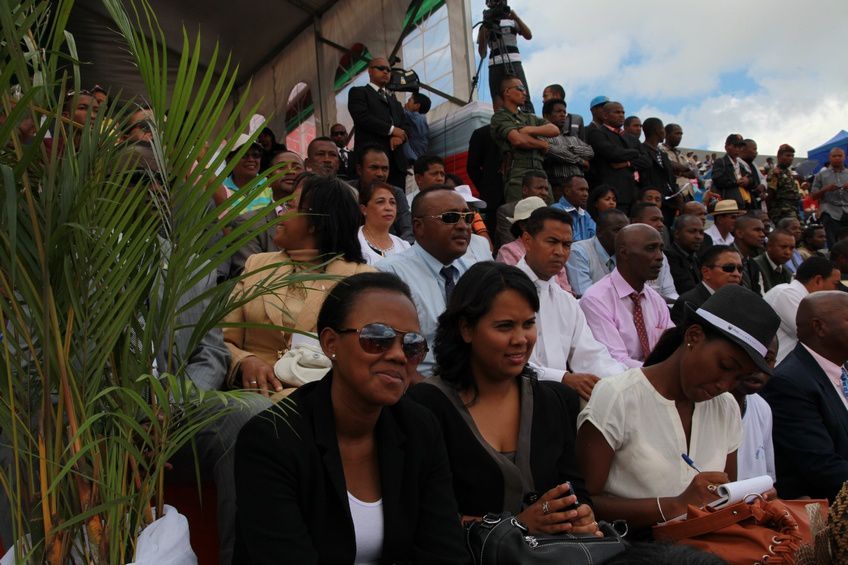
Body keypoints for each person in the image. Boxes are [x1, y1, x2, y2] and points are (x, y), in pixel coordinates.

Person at [234, 272, 468, 563]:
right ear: (331, 343)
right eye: (377, 338)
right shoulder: (273, 438)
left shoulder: (420, 428)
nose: (398, 355)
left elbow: (445, 552)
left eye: (412, 345)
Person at [408, 262, 601, 536]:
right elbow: (422, 517)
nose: (521, 339)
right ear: (466, 329)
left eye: (529, 324)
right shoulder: (426, 406)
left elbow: (576, 491)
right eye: (504, 326)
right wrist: (517, 526)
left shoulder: (553, 401)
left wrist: (580, 515)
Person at [577, 285, 780, 531]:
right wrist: (674, 506)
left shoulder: (726, 407)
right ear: (693, 336)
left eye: (739, 378)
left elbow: (724, 496)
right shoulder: (617, 396)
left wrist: (747, 502)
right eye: (725, 366)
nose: (726, 385)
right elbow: (584, 504)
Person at [223, 174, 374, 395]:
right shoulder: (257, 265)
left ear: (315, 222)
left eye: (290, 206)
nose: (280, 212)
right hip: (254, 398)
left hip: (324, 399)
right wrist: (244, 361)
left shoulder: (363, 281)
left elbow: (368, 355)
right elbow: (222, 340)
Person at [516, 208, 627, 398]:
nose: (560, 252)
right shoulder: (504, 293)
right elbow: (510, 361)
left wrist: (628, 380)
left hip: (556, 400)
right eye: (552, 242)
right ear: (527, 241)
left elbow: (591, 356)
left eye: (567, 244)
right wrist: (562, 378)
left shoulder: (566, 301)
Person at [376, 188, 479, 376]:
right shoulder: (391, 274)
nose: (463, 225)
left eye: (468, 217)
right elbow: (388, 352)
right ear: (418, 226)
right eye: (450, 217)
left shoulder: (473, 271)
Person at [761, 291, 848, 502]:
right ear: (819, 327)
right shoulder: (789, 383)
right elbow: (821, 468)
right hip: (827, 509)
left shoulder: (841, 369)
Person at [579, 224, 675, 368]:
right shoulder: (596, 299)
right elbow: (615, 360)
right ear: (624, 253)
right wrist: (661, 373)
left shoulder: (655, 299)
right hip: (620, 383)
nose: (660, 257)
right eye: (650, 248)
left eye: (661, 249)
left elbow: (672, 348)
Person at [490, 75, 559, 203]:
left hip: (540, 172)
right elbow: (518, 140)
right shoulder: (500, 117)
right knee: (522, 217)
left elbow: (554, 130)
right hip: (519, 174)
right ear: (507, 92)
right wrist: (542, 144)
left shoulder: (529, 118)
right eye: (520, 89)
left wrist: (529, 130)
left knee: (549, 216)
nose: (524, 93)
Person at [763, 256, 841, 364]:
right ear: (818, 280)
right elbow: (816, 336)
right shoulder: (786, 293)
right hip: (777, 371)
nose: (837, 291)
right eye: (835, 284)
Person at [348, 57, 410, 187]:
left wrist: (400, 137)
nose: (386, 72)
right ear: (370, 71)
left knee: (397, 203)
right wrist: (392, 130)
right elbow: (362, 118)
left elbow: (406, 125)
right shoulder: (359, 92)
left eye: (388, 69)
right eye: (381, 68)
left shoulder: (394, 101)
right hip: (371, 163)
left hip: (396, 165)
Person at [587, 101, 649, 213]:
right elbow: (612, 154)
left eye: (623, 112)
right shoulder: (597, 133)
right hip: (611, 195)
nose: (621, 115)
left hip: (633, 195)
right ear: (605, 115)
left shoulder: (631, 138)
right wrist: (635, 153)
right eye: (617, 112)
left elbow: (647, 161)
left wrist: (627, 163)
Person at [732, 338, 778, 481]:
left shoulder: (762, 408)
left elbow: (768, 479)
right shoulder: (706, 403)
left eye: (767, 359)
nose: (758, 367)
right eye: (751, 354)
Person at [478, 1, 534, 112]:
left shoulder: (512, 20)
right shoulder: (486, 25)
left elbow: (528, 35)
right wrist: (485, 27)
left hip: (514, 61)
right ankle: (502, 122)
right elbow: (482, 53)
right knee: (497, 97)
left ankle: (529, 118)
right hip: (495, 63)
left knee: (522, 93)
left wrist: (516, 18)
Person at [352, 144, 413, 243]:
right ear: (359, 170)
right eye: (374, 168)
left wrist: (399, 253)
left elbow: (407, 230)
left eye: (385, 169)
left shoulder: (396, 193)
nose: (380, 174)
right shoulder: (347, 191)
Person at [670, 245, 743, 325]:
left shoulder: (742, 302)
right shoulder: (688, 303)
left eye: (740, 269)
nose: (737, 274)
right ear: (706, 272)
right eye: (729, 268)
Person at [566, 209, 629, 297]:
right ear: (599, 232)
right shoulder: (578, 252)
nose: (623, 236)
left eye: (626, 231)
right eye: (617, 230)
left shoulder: (627, 254)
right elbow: (584, 294)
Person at [630, 203, 678, 302]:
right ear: (636, 222)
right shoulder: (624, 253)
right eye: (654, 219)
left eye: (661, 220)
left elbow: (670, 292)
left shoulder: (662, 256)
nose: (660, 224)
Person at [466, 109, 505, 234]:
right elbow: (472, 167)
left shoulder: (522, 133)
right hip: (494, 198)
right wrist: (486, 187)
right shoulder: (482, 133)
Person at [637, 118, 680, 226]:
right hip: (653, 203)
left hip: (670, 205)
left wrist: (676, 193)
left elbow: (671, 178)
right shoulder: (641, 151)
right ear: (658, 130)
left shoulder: (663, 155)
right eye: (663, 129)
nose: (664, 133)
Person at [358, 180, 412, 264]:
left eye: (392, 202)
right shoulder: (353, 241)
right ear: (364, 209)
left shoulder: (404, 246)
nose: (388, 208)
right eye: (380, 202)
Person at [541, 99, 594, 181]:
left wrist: (568, 149)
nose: (563, 115)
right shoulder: (542, 136)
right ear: (546, 115)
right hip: (556, 185)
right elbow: (554, 151)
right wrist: (580, 161)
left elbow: (590, 152)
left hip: (579, 185)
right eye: (558, 111)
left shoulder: (572, 138)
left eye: (564, 112)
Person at [494, 171, 550, 247]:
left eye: (546, 189)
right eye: (539, 188)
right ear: (525, 190)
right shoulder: (507, 211)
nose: (544, 193)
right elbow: (509, 245)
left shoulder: (549, 212)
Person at [223, 136, 272, 215]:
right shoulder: (221, 190)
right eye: (244, 155)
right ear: (229, 160)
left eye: (255, 155)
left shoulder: (270, 186)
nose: (251, 159)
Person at [811, 147, 848, 247]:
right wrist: (825, 189)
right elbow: (813, 196)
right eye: (834, 156)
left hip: (846, 209)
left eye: (840, 156)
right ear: (829, 158)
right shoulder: (821, 175)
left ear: (844, 157)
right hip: (830, 211)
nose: (837, 158)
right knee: (833, 243)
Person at [664, 215, 705, 294]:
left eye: (701, 232)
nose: (698, 237)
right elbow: (686, 288)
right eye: (692, 231)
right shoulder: (668, 257)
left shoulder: (694, 258)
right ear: (676, 234)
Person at [710, 134, 753, 209]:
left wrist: (748, 181)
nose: (738, 149)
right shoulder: (720, 162)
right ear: (726, 147)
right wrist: (736, 182)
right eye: (736, 146)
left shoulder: (741, 165)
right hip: (727, 205)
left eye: (740, 147)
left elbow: (753, 180)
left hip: (743, 204)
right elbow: (718, 180)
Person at [551, 175, 596, 242]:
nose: (586, 194)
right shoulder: (556, 210)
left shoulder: (585, 214)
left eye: (587, 190)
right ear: (567, 191)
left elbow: (595, 238)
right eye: (581, 189)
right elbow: (572, 241)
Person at [661, 124, 699, 201]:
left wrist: (680, 172)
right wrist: (684, 172)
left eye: (681, 134)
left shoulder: (681, 154)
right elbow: (668, 168)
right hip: (672, 193)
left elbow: (694, 174)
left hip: (688, 192)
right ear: (666, 134)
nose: (680, 136)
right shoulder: (660, 151)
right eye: (677, 133)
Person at [731, 214, 766, 294]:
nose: (762, 234)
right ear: (739, 233)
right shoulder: (723, 259)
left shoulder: (752, 264)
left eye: (762, 230)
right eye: (757, 230)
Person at [753, 228, 795, 294]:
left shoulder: (787, 271)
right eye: (783, 247)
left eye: (791, 248)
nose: (788, 252)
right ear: (769, 246)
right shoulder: (755, 265)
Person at [766, 144, 801, 223]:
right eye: (788, 155)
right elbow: (770, 194)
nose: (790, 158)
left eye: (792, 156)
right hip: (782, 212)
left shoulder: (788, 173)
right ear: (779, 156)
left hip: (793, 209)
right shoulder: (775, 173)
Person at [402, 92, 431, 165]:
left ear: (417, 105)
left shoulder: (417, 118)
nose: (406, 103)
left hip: (412, 161)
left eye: (409, 101)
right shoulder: (422, 119)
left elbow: (400, 112)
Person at [739, 139, 767, 211]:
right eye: (754, 149)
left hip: (757, 203)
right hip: (745, 204)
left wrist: (762, 186)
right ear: (743, 149)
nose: (756, 152)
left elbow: (763, 179)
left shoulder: (754, 165)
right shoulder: (737, 164)